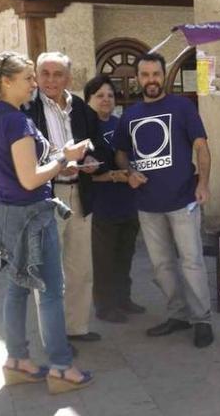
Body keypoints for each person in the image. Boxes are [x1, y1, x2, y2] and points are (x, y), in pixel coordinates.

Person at [0, 51, 92, 394]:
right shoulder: (16, 121)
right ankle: (60, 367)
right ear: (7, 81)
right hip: (32, 212)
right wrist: (64, 158)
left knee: (17, 287)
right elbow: (30, 179)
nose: (34, 85)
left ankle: (17, 362)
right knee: (51, 292)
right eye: (29, 78)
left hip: (8, 209)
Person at [114, 52, 215, 348]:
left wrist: (204, 183)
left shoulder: (182, 106)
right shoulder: (130, 115)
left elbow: (202, 146)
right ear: (138, 79)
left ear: (164, 74)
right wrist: (128, 171)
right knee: (161, 266)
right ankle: (178, 314)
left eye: (155, 74)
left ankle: (202, 319)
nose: (150, 80)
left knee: (192, 262)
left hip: (183, 199)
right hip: (147, 204)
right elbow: (120, 152)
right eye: (144, 75)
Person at [22, 51, 105, 345]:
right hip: (47, 195)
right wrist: (60, 159)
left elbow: (98, 140)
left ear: (68, 78)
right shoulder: (27, 109)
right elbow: (24, 156)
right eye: (45, 73)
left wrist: (94, 158)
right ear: (37, 76)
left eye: (58, 74)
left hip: (79, 193)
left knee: (80, 267)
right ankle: (54, 337)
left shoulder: (80, 107)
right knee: (48, 271)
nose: (51, 80)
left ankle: (76, 328)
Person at [84, 75, 144, 324]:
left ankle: (123, 299)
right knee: (104, 259)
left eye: (110, 95)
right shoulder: (84, 129)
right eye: (100, 95)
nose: (106, 99)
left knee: (124, 254)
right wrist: (113, 176)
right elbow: (83, 174)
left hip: (127, 202)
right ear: (89, 99)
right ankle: (104, 306)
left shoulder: (120, 124)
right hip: (101, 204)